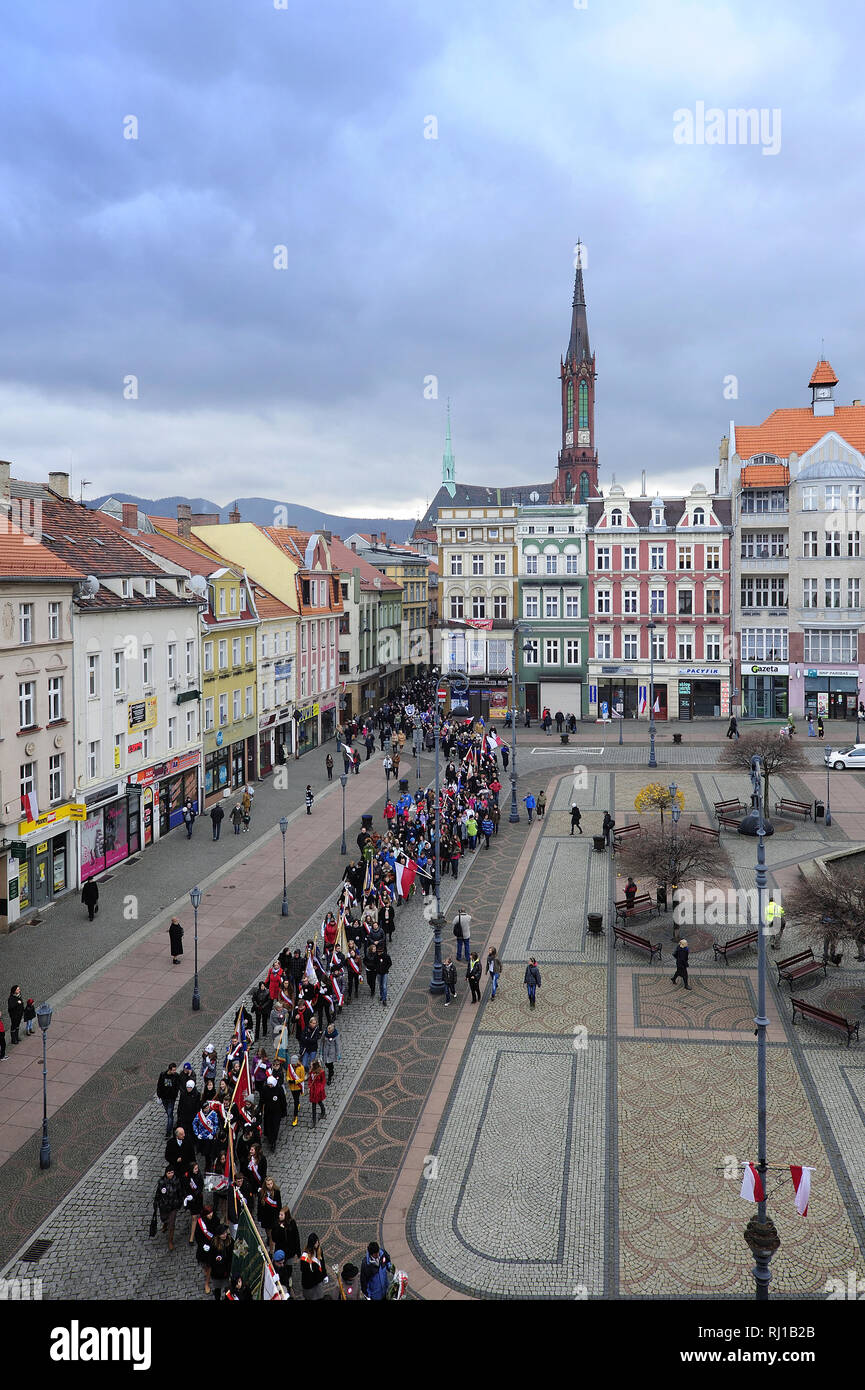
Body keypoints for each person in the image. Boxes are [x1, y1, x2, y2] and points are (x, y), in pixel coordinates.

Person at [154, 1165, 184, 1251]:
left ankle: (170, 1241)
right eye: (169, 1173)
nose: (171, 1174)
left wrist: (179, 1203)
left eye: (172, 1173)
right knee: (164, 1218)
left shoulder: (177, 1181)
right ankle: (165, 1224)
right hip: (164, 1206)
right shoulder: (162, 1182)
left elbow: (180, 1193)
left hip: (173, 1206)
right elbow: (158, 1193)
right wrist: (156, 1203)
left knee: (172, 1224)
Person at [300, 1233, 329, 1300]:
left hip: (318, 1282)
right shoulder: (305, 1257)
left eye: (317, 1242)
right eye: (316, 1242)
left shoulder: (319, 1250)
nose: (317, 1244)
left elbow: (322, 1263)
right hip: (309, 1284)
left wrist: (324, 1275)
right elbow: (303, 1270)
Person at [157, 1062, 181, 1137]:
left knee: (170, 1114)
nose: (174, 1071)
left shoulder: (176, 1076)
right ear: (169, 1070)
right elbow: (159, 1085)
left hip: (171, 1098)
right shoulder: (163, 1075)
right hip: (164, 1097)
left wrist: (175, 1094)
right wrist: (159, 1095)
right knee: (168, 1112)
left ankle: (168, 1131)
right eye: (173, 1070)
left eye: (175, 1070)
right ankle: (170, 1123)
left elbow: (178, 1085)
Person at [308, 1059, 327, 1126]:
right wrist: (309, 1085)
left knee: (319, 1102)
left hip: (318, 1090)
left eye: (311, 1065)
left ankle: (323, 1111)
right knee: (313, 1105)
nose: (310, 1066)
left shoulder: (321, 1072)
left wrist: (320, 1089)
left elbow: (323, 1081)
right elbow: (310, 1079)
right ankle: (314, 1121)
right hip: (313, 1090)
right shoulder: (311, 1071)